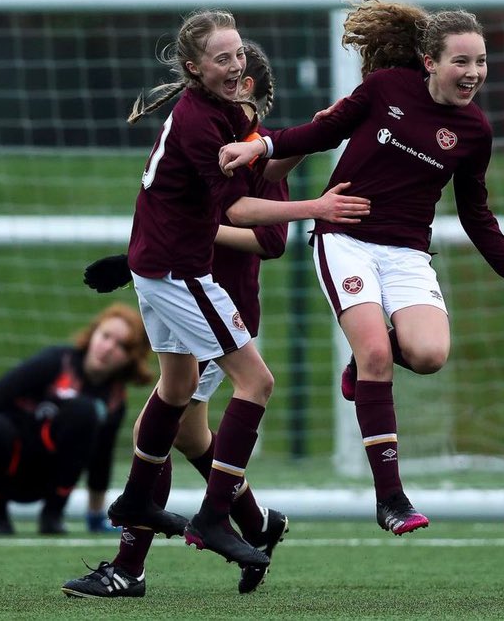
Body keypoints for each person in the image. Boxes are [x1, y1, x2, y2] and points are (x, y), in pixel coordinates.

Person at [219, 0, 504, 536]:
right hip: (346, 239)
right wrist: (261, 148)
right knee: (378, 353)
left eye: (480, 62)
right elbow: (323, 131)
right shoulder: (387, 88)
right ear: (430, 62)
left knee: (430, 355)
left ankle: (360, 375)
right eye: (461, 62)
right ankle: (391, 499)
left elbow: (477, 213)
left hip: (408, 252)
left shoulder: (475, 131)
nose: (473, 73)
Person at [61, 38, 369, 597]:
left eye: (240, 70)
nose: (234, 78)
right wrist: (139, 257)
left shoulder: (248, 147)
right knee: (181, 424)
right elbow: (190, 205)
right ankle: (250, 523)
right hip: (185, 285)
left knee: (176, 422)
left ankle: (141, 561)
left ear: (249, 89)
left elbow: (269, 237)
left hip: (215, 295)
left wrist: (310, 165)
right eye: (223, 64)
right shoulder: (220, 134)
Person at [0, 302, 153, 535]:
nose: (108, 347)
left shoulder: (114, 401)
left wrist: (96, 515)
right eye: (105, 335)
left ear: (133, 358)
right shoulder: (55, 361)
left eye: (121, 345)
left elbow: (101, 460)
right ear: (92, 334)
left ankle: (52, 516)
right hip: (8, 466)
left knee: (84, 411)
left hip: (48, 480)